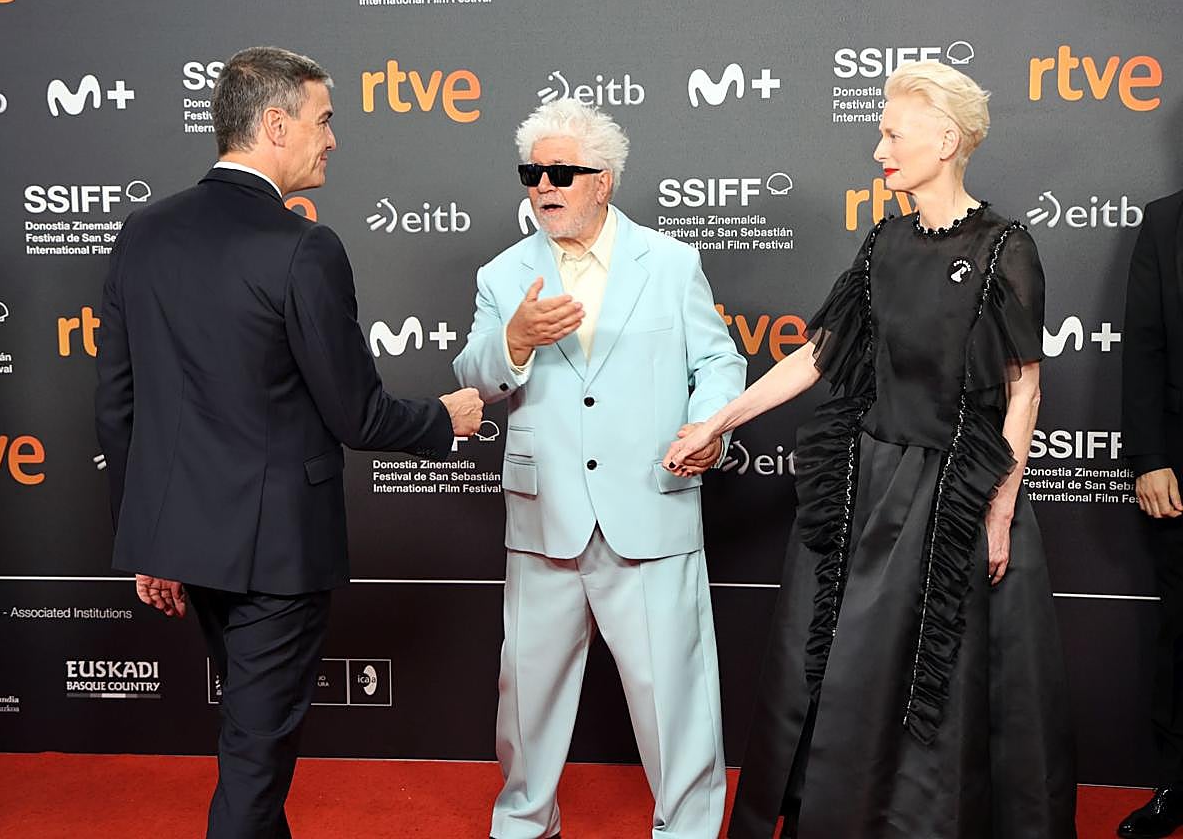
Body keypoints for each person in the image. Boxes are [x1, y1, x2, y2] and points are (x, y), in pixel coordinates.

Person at [666, 60, 1076, 838]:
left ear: (946, 138)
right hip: (869, 485)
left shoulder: (1005, 246)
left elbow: (1025, 391)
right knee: (843, 667)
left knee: (942, 682)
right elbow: (815, 356)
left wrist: (998, 509)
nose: (879, 148)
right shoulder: (884, 238)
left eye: (892, 133)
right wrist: (718, 422)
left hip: (955, 494)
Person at [94, 46, 482, 839]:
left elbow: (116, 408)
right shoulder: (305, 246)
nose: (333, 139)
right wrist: (447, 419)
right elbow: (358, 415)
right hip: (276, 553)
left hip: (186, 545)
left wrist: (151, 543)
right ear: (276, 124)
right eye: (323, 119)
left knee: (249, 744)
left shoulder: (143, 232)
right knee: (253, 760)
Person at [453, 97, 746, 839]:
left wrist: (708, 424)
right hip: (544, 512)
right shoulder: (503, 274)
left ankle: (685, 829)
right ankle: (524, 823)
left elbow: (718, 360)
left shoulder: (673, 263)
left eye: (561, 172)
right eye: (532, 172)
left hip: (650, 504)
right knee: (527, 697)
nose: (544, 186)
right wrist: (513, 341)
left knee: (674, 698)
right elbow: (475, 377)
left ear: (604, 179)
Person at [1120, 187, 1183, 839]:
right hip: (1179, 469)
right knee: (1181, 631)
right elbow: (1142, 345)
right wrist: (1148, 458)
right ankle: (1177, 784)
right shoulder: (1166, 221)